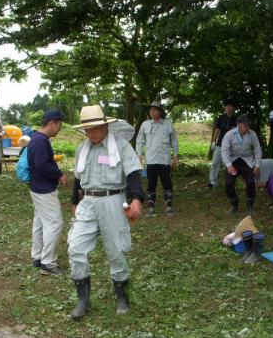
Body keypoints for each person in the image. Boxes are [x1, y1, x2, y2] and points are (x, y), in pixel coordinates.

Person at [68, 104, 144, 319]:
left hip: (114, 200)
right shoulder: (81, 149)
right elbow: (77, 178)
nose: (91, 133)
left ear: (105, 126)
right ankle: (83, 299)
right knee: (75, 248)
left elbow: (133, 174)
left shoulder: (120, 146)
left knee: (116, 251)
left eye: (95, 128)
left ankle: (122, 297)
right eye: (87, 130)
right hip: (88, 203)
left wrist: (136, 199)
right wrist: (75, 201)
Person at [27, 109, 67, 275]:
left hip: (37, 187)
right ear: (53, 123)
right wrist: (59, 174)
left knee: (40, 223)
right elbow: (42, 164)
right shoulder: (41, 141)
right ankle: (48, 263)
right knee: (55, 224)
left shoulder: (37, 139)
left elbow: (40, 163)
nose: (59, 129)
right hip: (44, 189)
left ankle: (37, 257)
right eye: (59, 126)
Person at [136, 101, 179, 217]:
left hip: (164, 160)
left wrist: (175, 155)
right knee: (151, 184)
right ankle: (151, 208)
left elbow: (174, 140)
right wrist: (139, 154)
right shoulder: (145, 124)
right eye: (151, 110)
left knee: (167, 183)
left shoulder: (168, 124)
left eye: (155, 109)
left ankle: (169, 206)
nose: (152, 112)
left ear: (160, 112)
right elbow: (140, 140)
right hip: (150, 160)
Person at [221, 115, 262, 213]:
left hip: (247, 160)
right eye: (245, 126)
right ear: (238, 125)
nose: (247, 128)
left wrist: (257, 165)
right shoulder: (229, 134)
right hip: (233, 160)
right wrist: (229, 165)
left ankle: (250, 205)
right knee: (228, 183)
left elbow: (257, 150)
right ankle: (234, 205)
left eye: (248, 126)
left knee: (251, 182)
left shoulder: (252, 134)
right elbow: (224, 151)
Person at [208, 100, 237, 188]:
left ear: (233, 108)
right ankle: (212, 181)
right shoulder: (221, 118)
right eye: (226, 106)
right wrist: (213, 141)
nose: (228, 108)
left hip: (231, 146)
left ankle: (228, 183)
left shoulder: (237, 119)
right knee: (215, 163)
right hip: (220, 144)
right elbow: (217, 130)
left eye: (230, 106)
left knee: (228, 165)